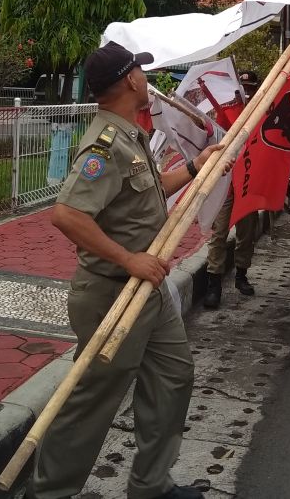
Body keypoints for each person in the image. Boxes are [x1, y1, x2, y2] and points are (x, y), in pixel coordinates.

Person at [31, 41, 224, 499]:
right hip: (112, 294)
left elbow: (149, 192)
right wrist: (129, 258)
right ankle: (51, 493)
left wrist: (197, 167)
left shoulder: (130, 137)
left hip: (148, 292)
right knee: (92, 401)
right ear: (128, 81)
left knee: (174, 376)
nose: (146, 79)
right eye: (140, 72)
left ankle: (151, 485)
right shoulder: (104, 144)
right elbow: (68, 215)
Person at [203, 70, 262, 309]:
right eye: (243, 86)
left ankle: (241, 274)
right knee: (218, 235)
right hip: (225, 184)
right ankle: (213, 284)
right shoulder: (224, 112)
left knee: (246, 233)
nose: (246, 91)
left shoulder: (260, 114)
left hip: (247, 183)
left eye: (251, 87)